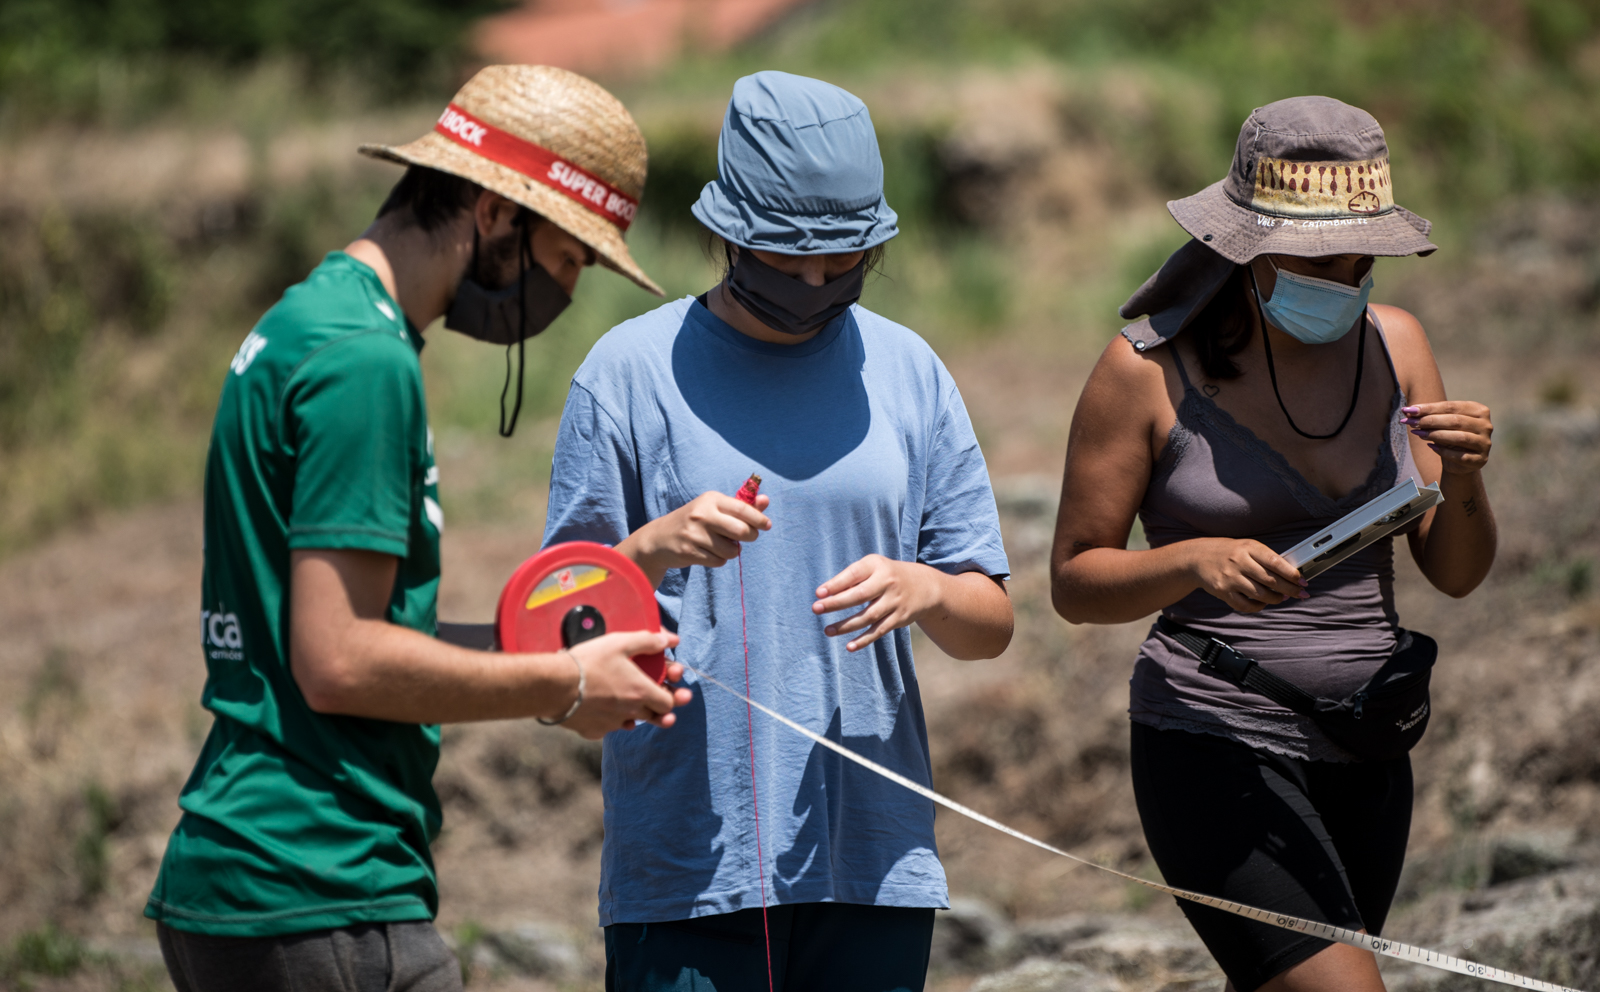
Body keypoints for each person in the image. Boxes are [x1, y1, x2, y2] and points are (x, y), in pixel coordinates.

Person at [144, 66, 693, 992]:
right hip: (321, 882)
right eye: (567, 257)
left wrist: (563, 642)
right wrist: (563, 684)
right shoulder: (365, 364)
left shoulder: (309, 319)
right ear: (495, 211)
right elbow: (339, 661)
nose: (565, 289)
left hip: (257, 877)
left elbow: (360, 632)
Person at [542, 71, 1014, 992]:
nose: (811, 283)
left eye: (840, 263)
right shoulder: (627, 374)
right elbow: (557, 632)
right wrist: (651, 548)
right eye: (784, 259)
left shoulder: (911, 371)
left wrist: (926, 589)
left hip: (873, 860)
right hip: (687, 867)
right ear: (726, 232)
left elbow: (988, 624)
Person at [1050, 96, 1496, 992]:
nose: (1345, 280)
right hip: (1213, 735)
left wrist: (1465, 476)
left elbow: (1455, 572)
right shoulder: (1144, 370)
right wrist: (1190, 561)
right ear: (1247, 248)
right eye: (1318, 261)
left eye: (1362, 260)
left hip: (1370, 738)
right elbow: (1074, 580)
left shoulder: (1398, 344)